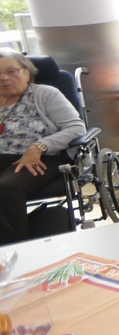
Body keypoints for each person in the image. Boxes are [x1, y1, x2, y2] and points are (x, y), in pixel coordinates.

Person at [0, 50, 86, 244]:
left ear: (27, 73)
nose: (3, 78)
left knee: (7, 188)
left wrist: (39, 146)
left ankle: (16, 249)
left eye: (11, 71)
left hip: (44, 157)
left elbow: (76, 128)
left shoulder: (45, 94)